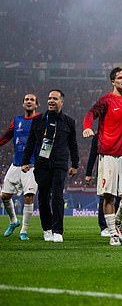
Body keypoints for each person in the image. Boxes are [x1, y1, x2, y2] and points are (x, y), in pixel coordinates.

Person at [83, 67, 122, 246]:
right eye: (120, 78)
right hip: (107, 154)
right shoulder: (106, 100)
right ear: (113, 82)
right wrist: (87, 126)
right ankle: (113, 234)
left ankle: (116, 220)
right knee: (108, 195)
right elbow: (90, 114)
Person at [21, 90, 79, 243]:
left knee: (58, 197)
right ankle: (47, 229)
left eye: (55, 98)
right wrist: (25, 161)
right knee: (44, 197)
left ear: (62, 102)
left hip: (59, 164)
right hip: (42, 165)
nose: (51, 101)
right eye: (49, 98)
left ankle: (58, 230)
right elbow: (31, 142)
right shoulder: (39, 120)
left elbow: (73, 145)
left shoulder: (69, 122)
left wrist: (75, 164)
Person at [0, 93, 40, 240]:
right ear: (23, 104)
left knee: (28, 197)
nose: (29, 102)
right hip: (16, 164)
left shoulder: (41, 120)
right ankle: (14, 221)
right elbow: (7, 136)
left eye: (32, 100)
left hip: (31, 165)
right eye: (26, 100)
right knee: (4, 196)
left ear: (36, 105)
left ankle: (24, 231)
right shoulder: (17, 120)